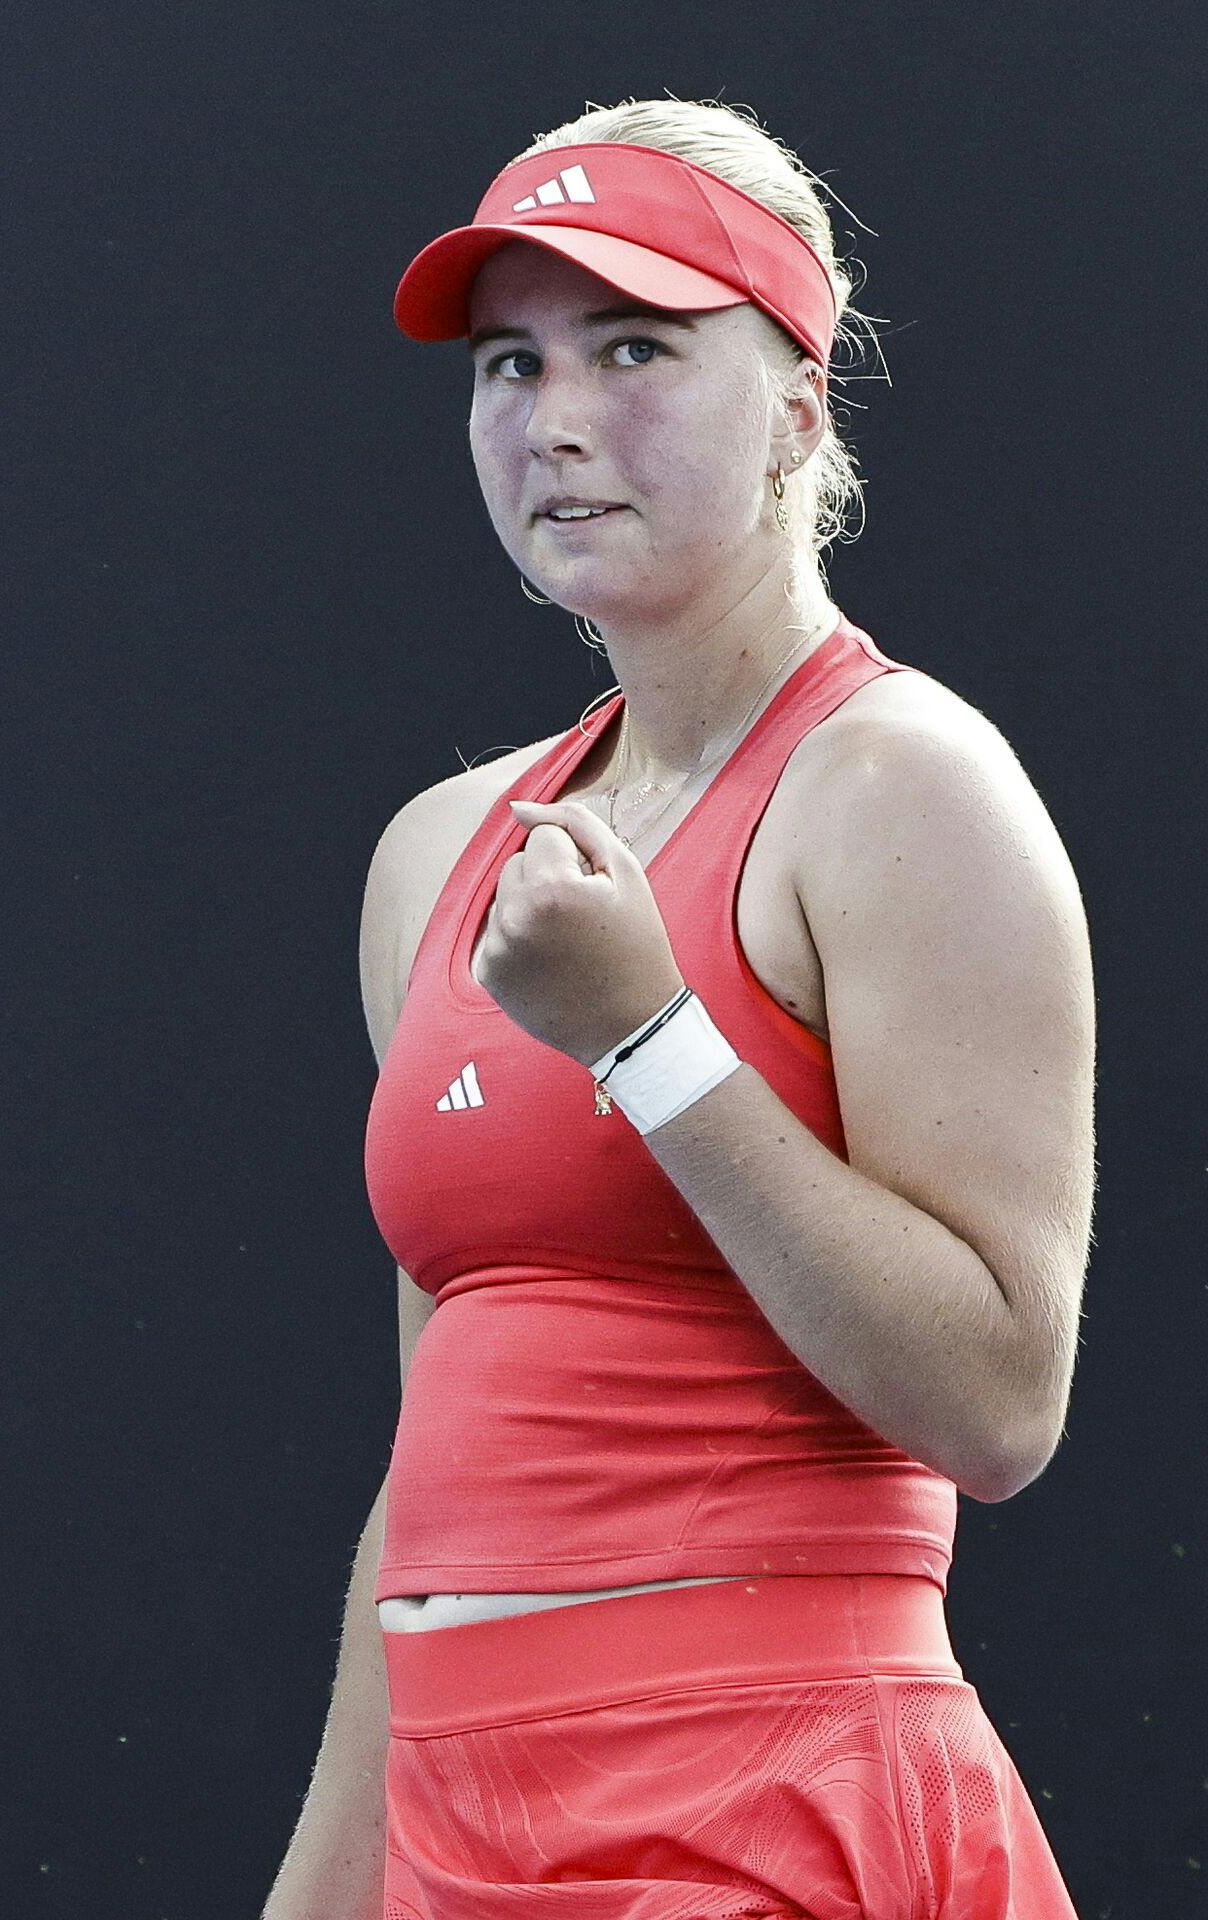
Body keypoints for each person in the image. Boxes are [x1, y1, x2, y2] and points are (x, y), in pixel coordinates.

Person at [266, 97, 1096, 1920]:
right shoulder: (442, 855)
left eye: (635, 345)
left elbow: (999, 1401)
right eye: (510, 361)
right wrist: (322, 1891)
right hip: (461, 1826)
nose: (553, 418)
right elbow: (435, 1468)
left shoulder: (901, 788)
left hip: (776, 1802)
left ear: (800, 406)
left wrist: (648, 1041)